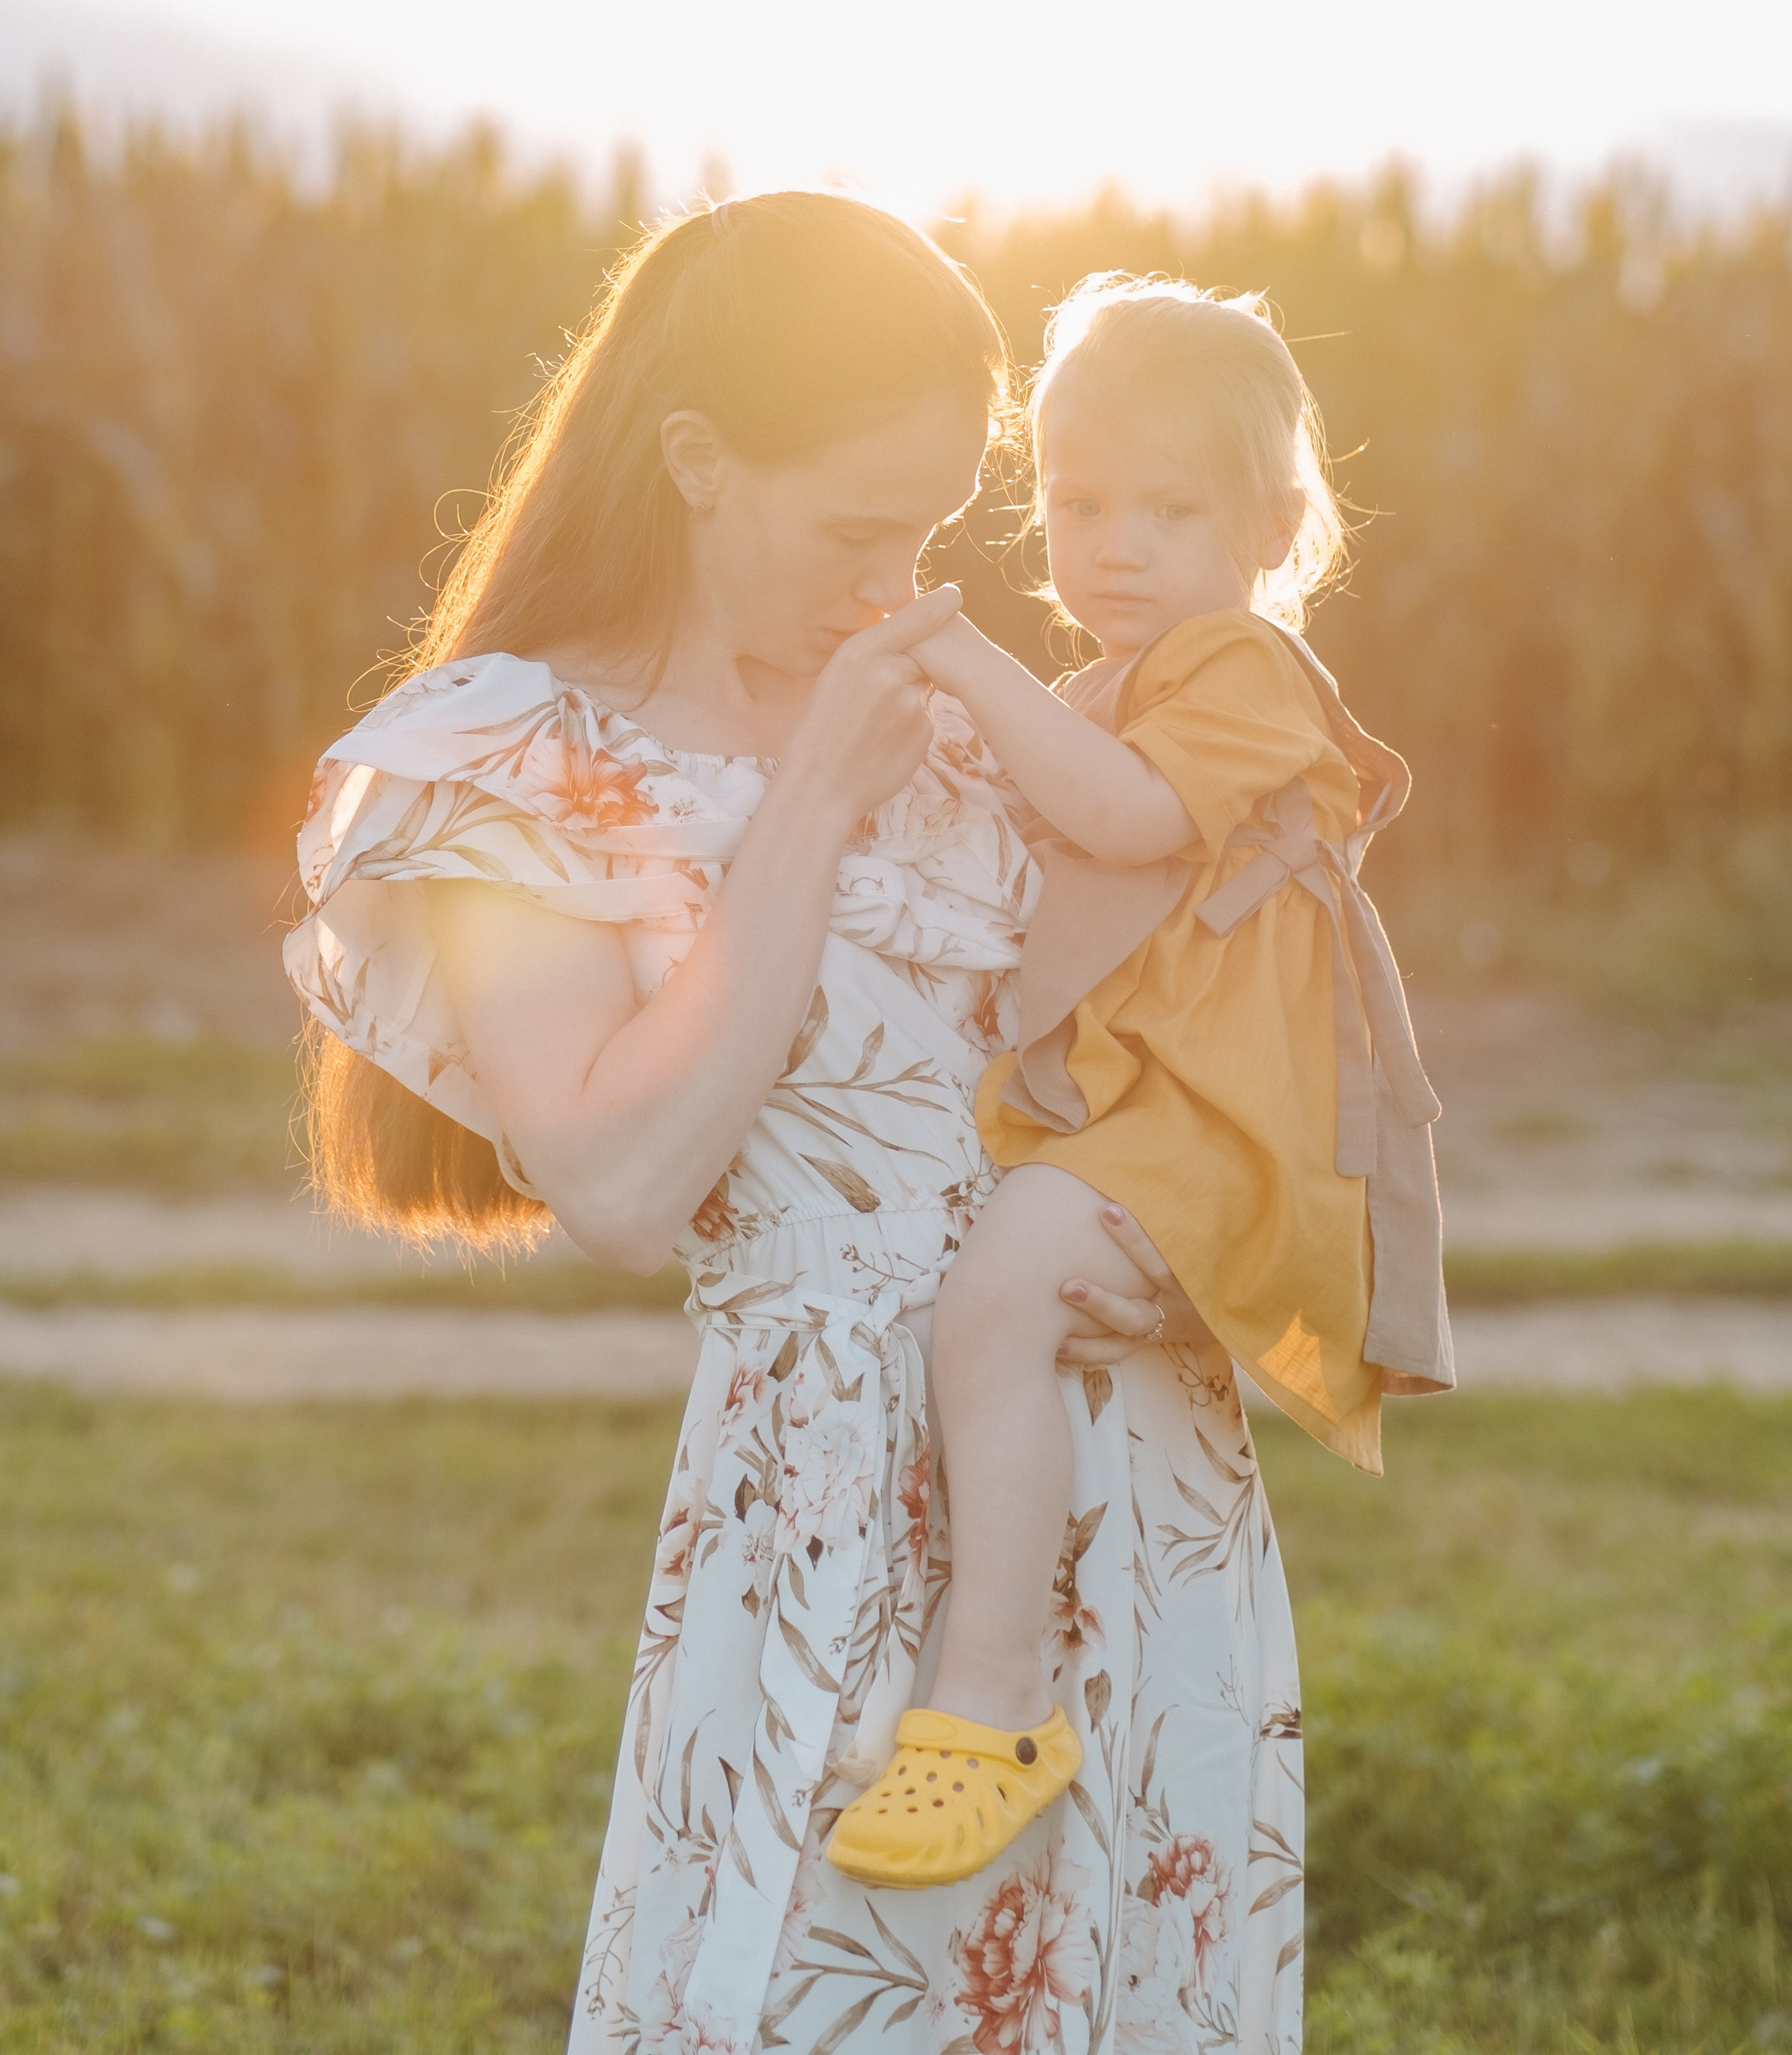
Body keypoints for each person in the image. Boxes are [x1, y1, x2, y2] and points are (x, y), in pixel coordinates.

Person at [285, 198, 1306, 2055]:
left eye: (929, 530)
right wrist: (813, 802)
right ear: (693, 462)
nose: (900, 581)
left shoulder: (986, 718)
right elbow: (617, 1177)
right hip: (832, 1487)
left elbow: (1195, 986)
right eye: (856, 529)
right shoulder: (519, 759)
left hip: (1134, 1473)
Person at [826, 276, 1452, 1894]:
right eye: (1077, 502)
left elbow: (1113, 821)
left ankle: (992, 1706)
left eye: (1164, 510)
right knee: (987, 1309)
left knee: (990, 1305)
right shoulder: (1117, 681)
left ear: (1266, 526)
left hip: (1212, 1129)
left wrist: (960, 656)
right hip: (1133, 1119)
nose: (1107, 544)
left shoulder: (1240, 666)